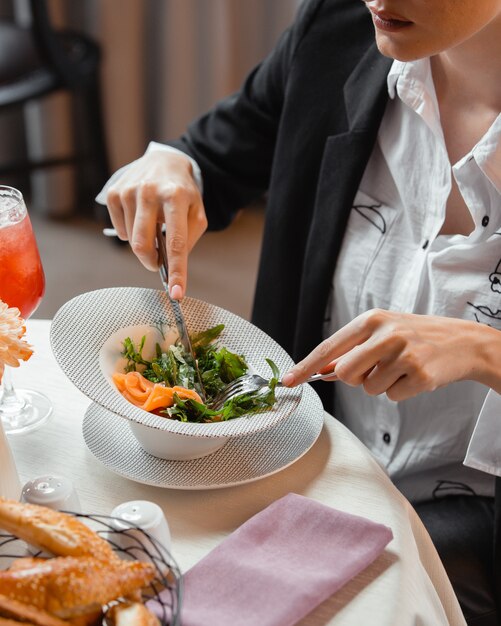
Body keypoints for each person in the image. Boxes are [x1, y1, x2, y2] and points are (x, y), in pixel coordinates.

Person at [98, 1, 501, 623]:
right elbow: (212, 154)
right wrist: (169, 164)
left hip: (478, 518)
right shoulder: (336, 29)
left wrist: (482, 351)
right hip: (308, 453)